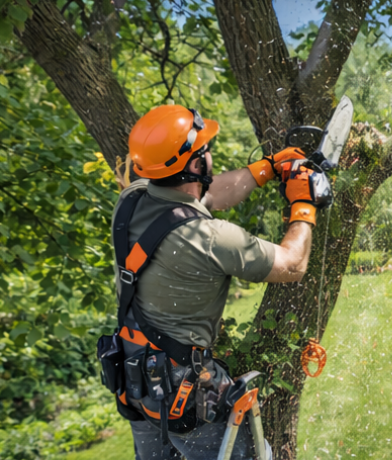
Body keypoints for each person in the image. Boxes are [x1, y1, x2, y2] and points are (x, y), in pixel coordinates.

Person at [104, 105, 323, 459]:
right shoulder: (209, 238)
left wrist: (268, 167)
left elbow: (212, 193)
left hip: (137, 383)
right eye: (204, 150)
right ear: (195, 165)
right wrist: (304, 203)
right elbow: (292, 264)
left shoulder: (130, 199)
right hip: (186, 400)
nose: (210, 155)